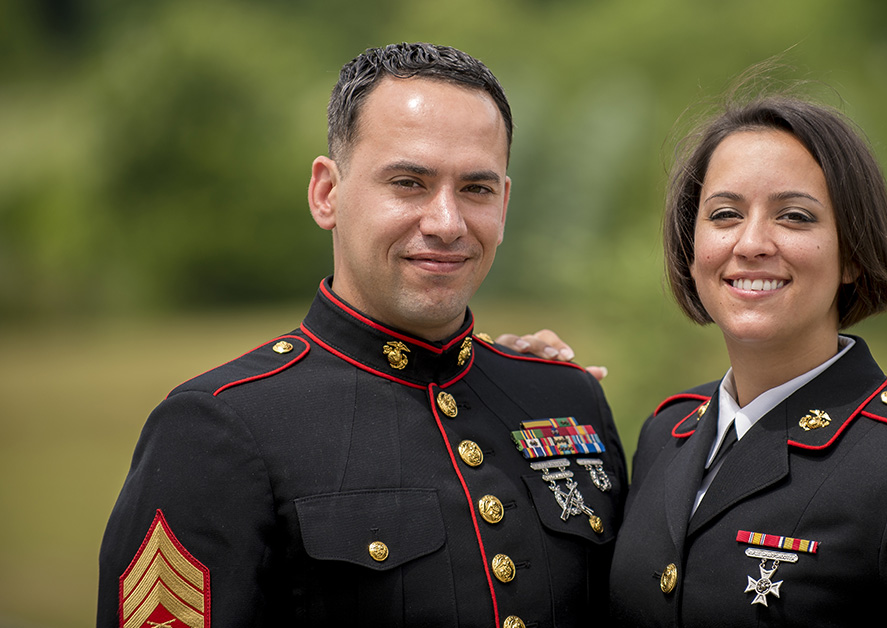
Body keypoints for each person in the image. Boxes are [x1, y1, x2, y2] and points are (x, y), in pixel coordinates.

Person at [504, 94, 887, 625]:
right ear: (692, 249)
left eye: (795, 216)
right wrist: (500, 381)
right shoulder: (668, 431)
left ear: (853, 255)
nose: (752, 243)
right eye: (724, 215)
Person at [98, 43, 626, 628]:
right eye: (408, 182)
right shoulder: (216, 430)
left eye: (475, 189)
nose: (447, 223)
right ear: (327, 193)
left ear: (504, 202)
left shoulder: (567, 400)